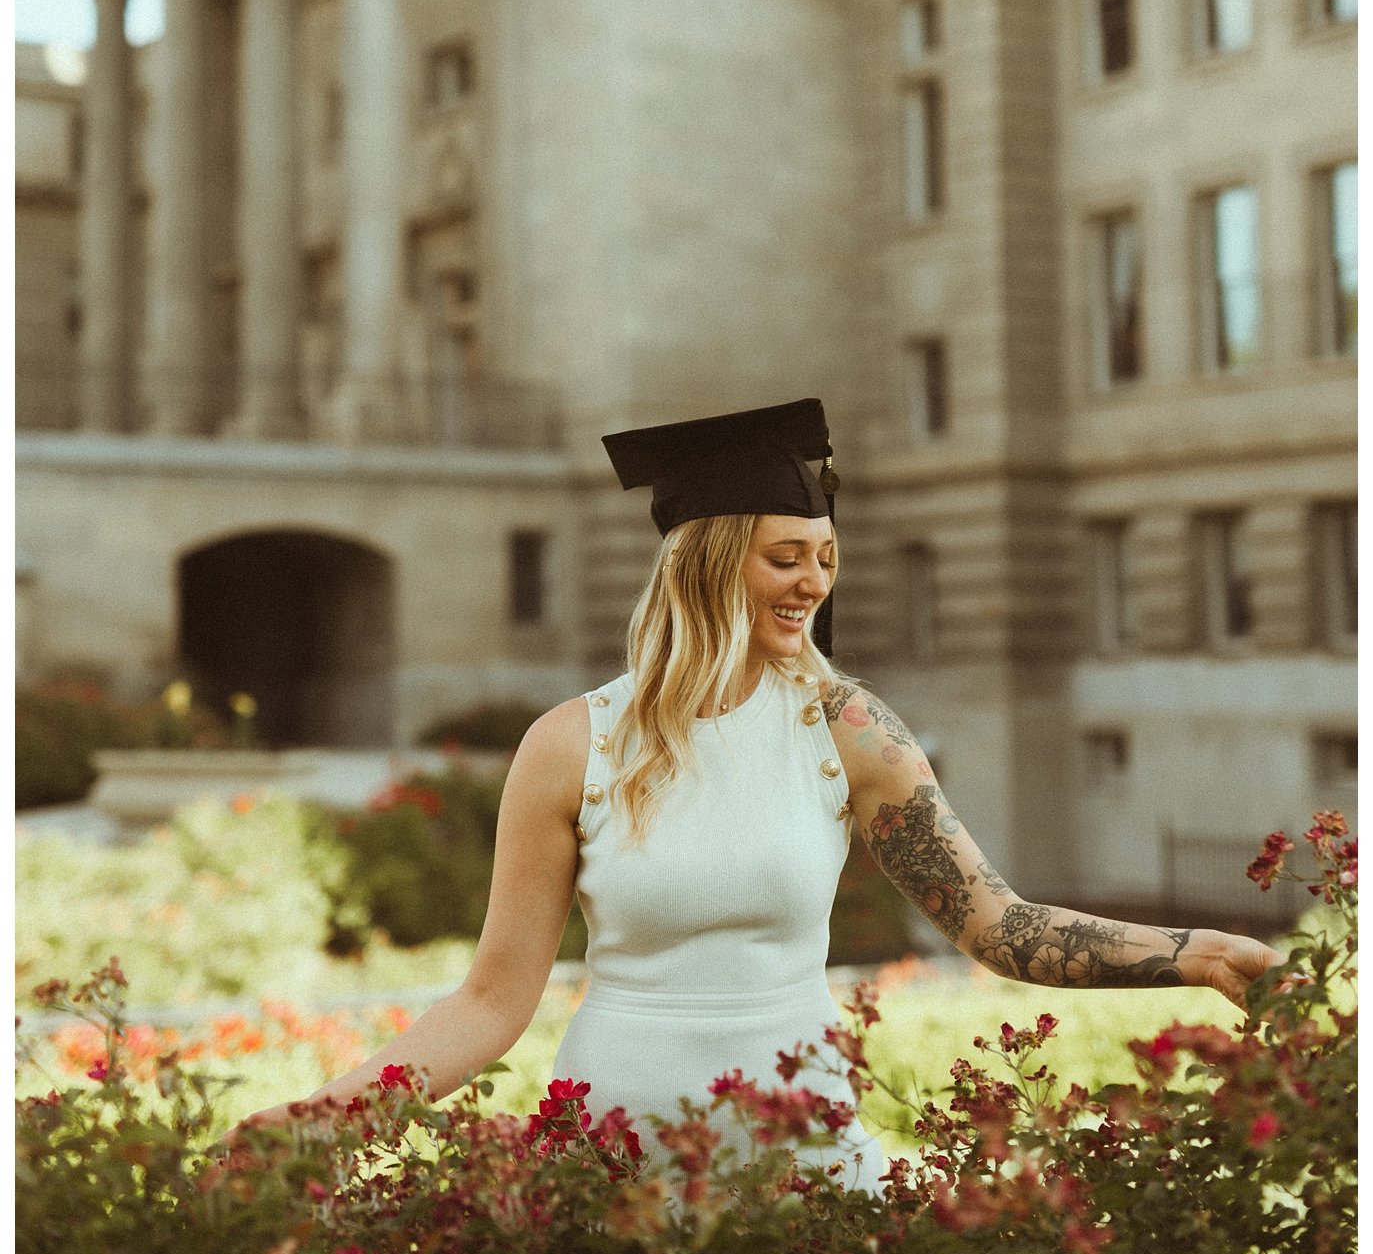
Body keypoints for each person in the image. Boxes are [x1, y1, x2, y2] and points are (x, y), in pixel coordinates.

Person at [232, 398, 1282, 1190]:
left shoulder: (848, 729)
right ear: (705, 562)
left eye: (825, 557)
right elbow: (489, 1002)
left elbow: (997, 925)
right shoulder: (569, 745)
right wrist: (325, 1117)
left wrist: (1190, 952)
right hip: (612, 1158)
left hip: (804, 1151)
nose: (812, 582)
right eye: (784, 556)